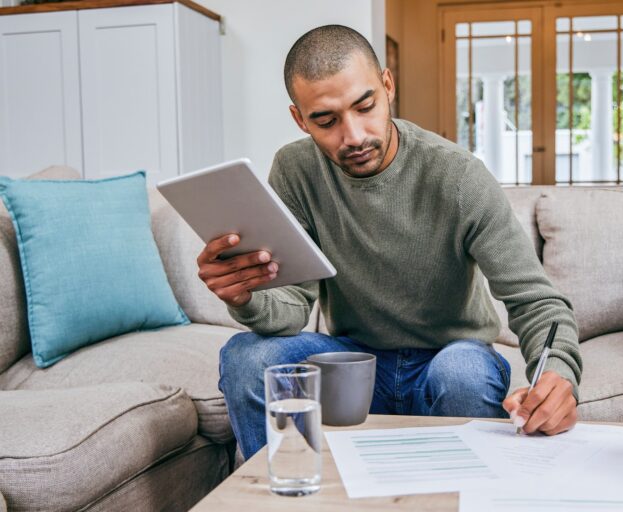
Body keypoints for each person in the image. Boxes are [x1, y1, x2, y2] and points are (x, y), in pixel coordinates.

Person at [196, 25, 582, 459]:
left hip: (449, 359)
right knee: (247, 357)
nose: (355, 136)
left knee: (462, 374)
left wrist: (559, 374)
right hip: (351, 367)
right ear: (299, 119)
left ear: (387, 85)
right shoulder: (294, 171)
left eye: (366, 106)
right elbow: (290, 309)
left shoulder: (458, 176)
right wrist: (247, 296)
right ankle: (281, 500)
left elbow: (536, 301)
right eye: (326, 120)